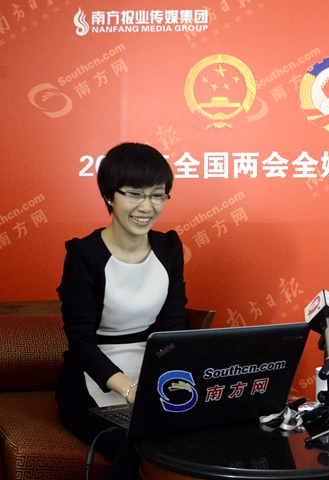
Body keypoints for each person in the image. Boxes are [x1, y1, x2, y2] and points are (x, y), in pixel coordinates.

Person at [56, 142, 188, 479]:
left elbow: (175, 326)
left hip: (151, 370)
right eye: (135, 194)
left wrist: (164, 382)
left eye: (157, 195)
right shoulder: (84, 255)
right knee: (137, 445)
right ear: (109, 196)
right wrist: (130, 390)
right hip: (92, 378)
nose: (147, 206)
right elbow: (81, 342)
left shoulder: (169, 248)